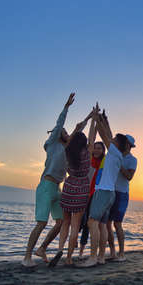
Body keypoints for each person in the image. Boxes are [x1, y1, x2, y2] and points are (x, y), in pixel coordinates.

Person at [22, 93, 75, 267]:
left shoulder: (67, 152)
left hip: (57, 189)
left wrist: (90, 118)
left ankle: (42, 248)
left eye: (67, 132)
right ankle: (27, 257)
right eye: (65, 132)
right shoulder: (52, 144)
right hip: (46, 186)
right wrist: (66, 107)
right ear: (59, 134)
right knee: (42, 223)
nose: (67, 133)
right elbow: (59, 124)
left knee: (61, 222)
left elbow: (77, 134)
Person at [49, 110, 97, 267]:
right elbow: (91, 137)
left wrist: (88, 117)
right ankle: (69, 257)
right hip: (82, 188)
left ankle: (60, 249)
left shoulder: (67, 150)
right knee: (75, 226)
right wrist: (93, 120)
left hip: (69, 186)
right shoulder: (87, 152)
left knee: (65, 223)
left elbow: (77, 129)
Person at [81, 107, 128, 267]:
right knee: (101, 225)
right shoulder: (118, 154)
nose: (111, 139)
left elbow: (103, 134)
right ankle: (101, 256)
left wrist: (96, 118)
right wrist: (104, 119)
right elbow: (108, 133)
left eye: (114, 139)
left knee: (92, 222)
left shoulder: (114, 152)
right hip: (110, 194)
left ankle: (93, 257)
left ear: (116, 144)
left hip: (104, 192)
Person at [107, 134, 137, 262]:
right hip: (111, 191)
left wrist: (119, 165)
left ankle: (122, 253)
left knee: (117, 223)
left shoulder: (132, 160)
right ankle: (112, 252)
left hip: (122, 193)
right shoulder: (115, 154)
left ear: (129, 146)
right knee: (107, 223)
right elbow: (109, 136)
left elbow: (129, 176)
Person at [78, 118, 106, 258]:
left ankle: (82, 252)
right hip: (82, 193)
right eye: (95, 147)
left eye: (99, 148)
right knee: (79, 223)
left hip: (94, 196)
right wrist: (94, 121)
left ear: (103, 151)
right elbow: (91, 138)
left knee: (88, 226)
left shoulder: (103, 162)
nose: (96, 149)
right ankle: (76, 246)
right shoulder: (89, 158)